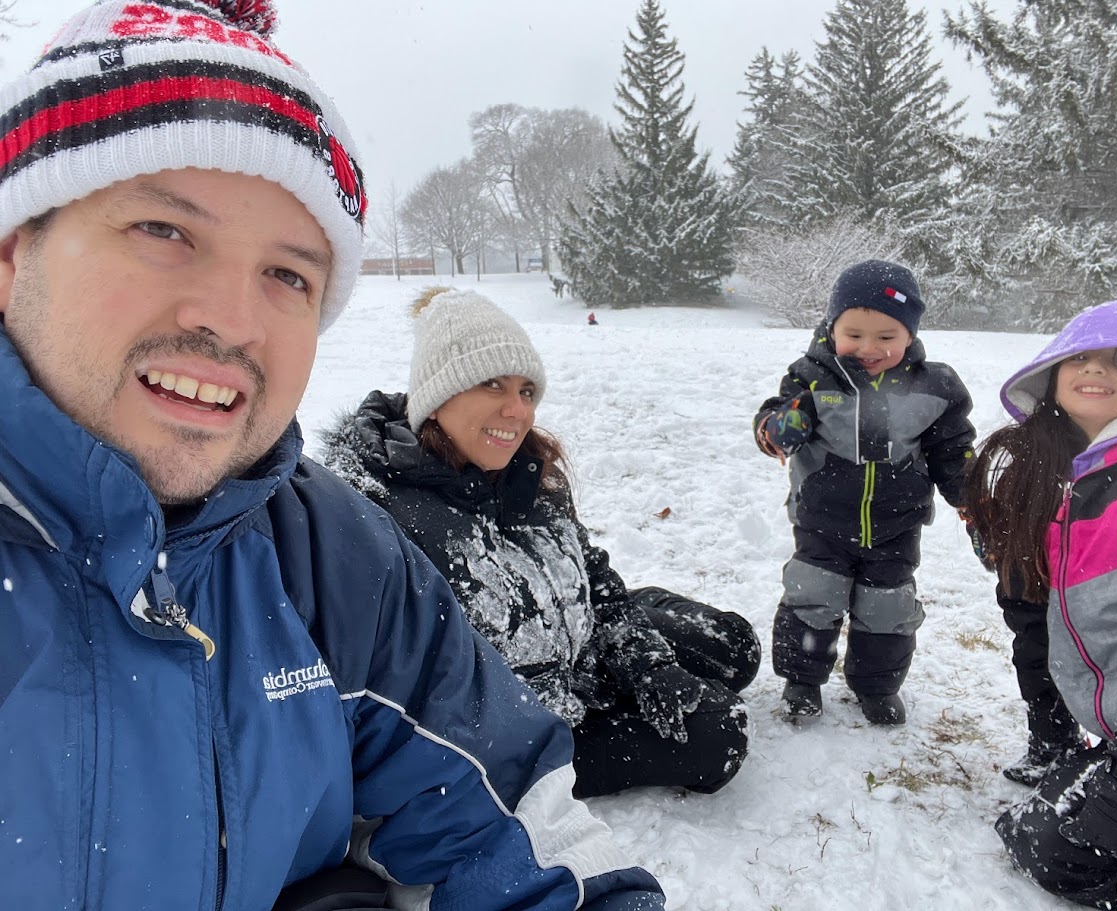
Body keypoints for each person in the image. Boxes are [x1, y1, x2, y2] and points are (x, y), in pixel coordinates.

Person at [0, 3, 666, 910]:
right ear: (11, 251)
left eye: (288, 274)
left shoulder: (329, 556)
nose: (232, 320)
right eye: (164, 231)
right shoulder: (393, 518)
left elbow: (512, 829)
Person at [321, 287, 761, 798]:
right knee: (718, 735)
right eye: (492, 384)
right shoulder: (377, 512)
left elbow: (598, 583)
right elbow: (403, 689)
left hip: (578, 633)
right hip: (518, 726)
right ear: (438, 397)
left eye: (527, 391)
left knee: (736, 648)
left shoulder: (529, 473)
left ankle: (636, 627)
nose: (517, 410)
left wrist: (648, 665)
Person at [964, 299, 1117, 909]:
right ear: (1051, 371)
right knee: (1049, 846)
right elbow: (1032, 620)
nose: (1095, 369)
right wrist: (1055, 736)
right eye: (1080, 355)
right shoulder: (1048, 471)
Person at [753, 260, 976, 725]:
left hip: (897, 522)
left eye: (886, 337)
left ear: (910, 336)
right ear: (832, 328)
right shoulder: (813, 376)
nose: (868, 348)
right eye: (853, 334)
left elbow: (951, 450)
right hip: (822, 516)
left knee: (887, 607)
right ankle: (802, 680)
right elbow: (776, 417)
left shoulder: (935, 386)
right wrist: (779, 427)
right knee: (813, 597)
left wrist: (970, 495)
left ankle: (876, 686)